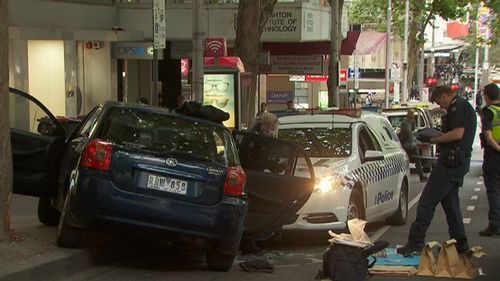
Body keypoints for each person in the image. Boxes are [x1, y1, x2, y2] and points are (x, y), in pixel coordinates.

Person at [397, 85, 477, 256]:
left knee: (427, 202)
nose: (441, 106)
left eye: (440, 101)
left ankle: (416, 241)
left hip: (450, 163)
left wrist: (435, 138)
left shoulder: (458, 106)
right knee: (451, 206)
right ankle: (461, 245)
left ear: (446, 95)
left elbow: (457, 133)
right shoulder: (462, 106)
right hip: (456, 163)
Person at [479, 83, 500, 237]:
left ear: (486, 96)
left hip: (494, 155)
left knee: (493, 190)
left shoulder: (488, 112)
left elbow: (488, 137)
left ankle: (495, 224)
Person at [399, 109, 428, 182]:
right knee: (405, 161)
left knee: (418, 160)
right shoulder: (405, 123)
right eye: (410, 113)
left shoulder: (412, 122)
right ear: (408, 114)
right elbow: (409, 133)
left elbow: (413, 132)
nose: (412, 115)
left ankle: (421, 176)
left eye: (413, 113)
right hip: (406, 145)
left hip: (412, 144)